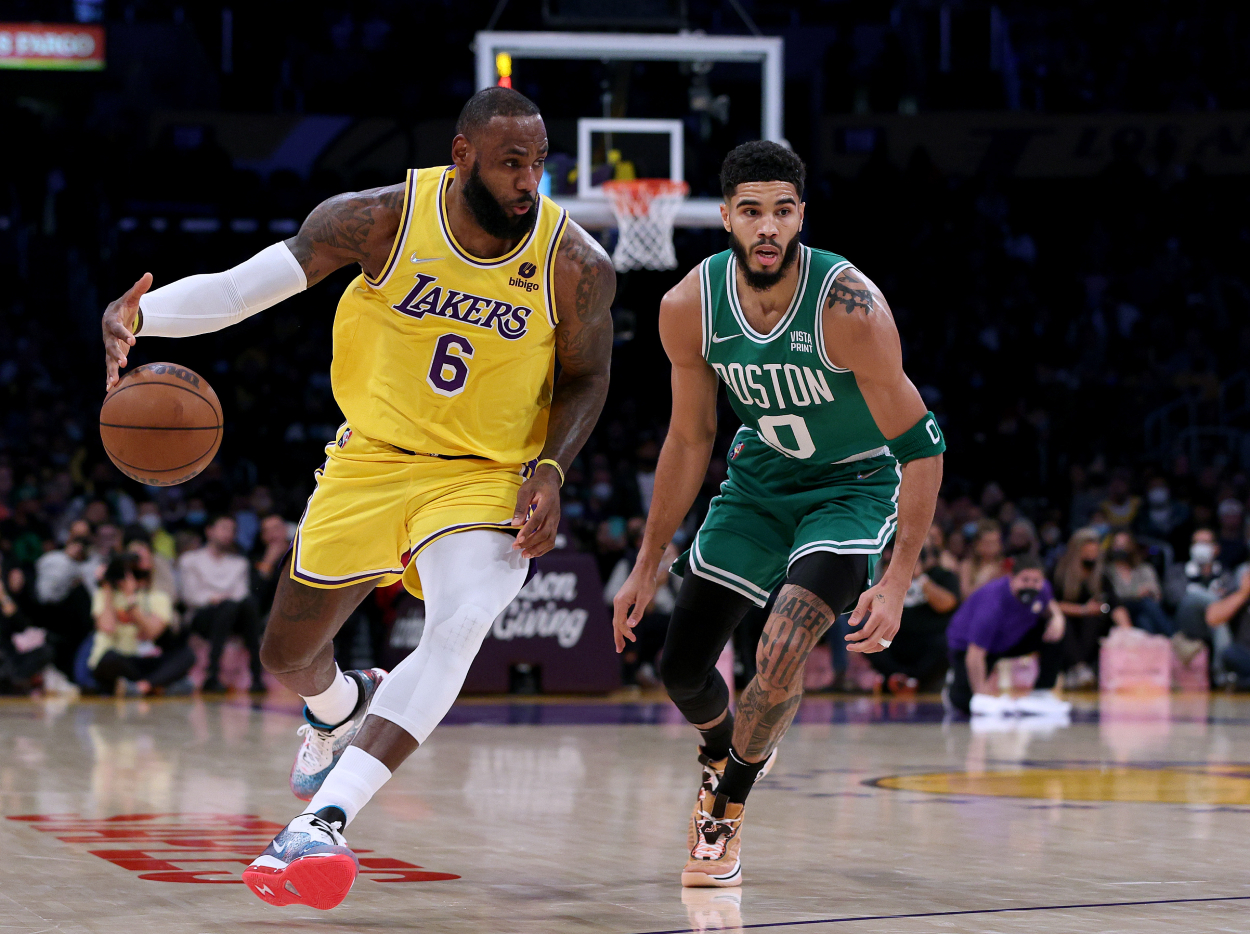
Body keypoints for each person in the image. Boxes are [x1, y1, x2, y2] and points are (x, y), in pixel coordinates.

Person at [100, 87, 613, 910]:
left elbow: (587, 375)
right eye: (511, 163)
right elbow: (242, 290)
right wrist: (141, 314)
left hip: (485, 475)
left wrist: (551, 466)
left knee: (459, 624)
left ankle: (324, 822)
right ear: (462, 155)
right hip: (369, 461)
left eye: (538, 164)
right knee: (284, 656)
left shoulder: (574, 262)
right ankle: (344, 704)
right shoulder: (379, 219)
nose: (528, 181)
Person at [611, 141, 945, 887]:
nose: (768, 227)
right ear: (726, 216)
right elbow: (691, 438)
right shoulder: (687, 307)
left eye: (783, 211)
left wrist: (895, 580)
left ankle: (726, 806)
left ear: (801, 217)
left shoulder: (850, 307)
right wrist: (646, 563)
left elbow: (923, 446)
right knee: (681, 668)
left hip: (850, 487)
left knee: (786, 637)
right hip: (759, 483)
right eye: (752, 211)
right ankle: (724, 748)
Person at [945, 555, 1069, 717]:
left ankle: (1042, 691)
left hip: (1010, 638)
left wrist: (1058, 618)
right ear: (1012, 578)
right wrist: (982, 696)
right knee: (966, 702)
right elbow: (975, 654)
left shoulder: (1043, 588)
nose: (1031, 585)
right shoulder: (992, 604)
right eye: (1025, 580)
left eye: (1036, 581)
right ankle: (953, 682)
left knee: (1055, 630)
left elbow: (1049, 602)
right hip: (970, 646)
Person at [177, 515, 265, 694]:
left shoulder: (239, 563)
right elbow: (190, 596)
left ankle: (256, 676)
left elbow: (242, 594)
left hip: (233, 613)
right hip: (202, 616)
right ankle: (213, 674)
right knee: (229, 607)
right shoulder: (190, 559)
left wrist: (222, 598)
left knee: (246, 605)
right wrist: (214, 598)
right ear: (209, 531)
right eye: (224, 528)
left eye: (232, 530)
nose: (229, 534)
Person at [868, 525, 961, 695]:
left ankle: (913, 681)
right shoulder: (890, 575)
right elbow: (877, 602)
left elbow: (947, 604)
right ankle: (895, 677)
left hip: (928, 640)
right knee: (864, 632)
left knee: (945, 644)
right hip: (895, 638)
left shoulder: (944, 576)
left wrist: (920, 577)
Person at [88, 553, 194, 696]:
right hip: (120, 660)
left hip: (144, 659)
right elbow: (107, 627)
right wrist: (106, 586)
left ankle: (142, 687)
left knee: (186, 655)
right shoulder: (103, 594)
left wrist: (131, 598)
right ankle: (159, 685)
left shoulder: (158, 597)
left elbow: (152, 632)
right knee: (108, 659)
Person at [1052, 528, 1115, 687]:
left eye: (1095, 552)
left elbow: (1113, 604)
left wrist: (1127, 630)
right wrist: (1082, 610)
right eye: (1087, 552)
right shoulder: (1059, 572)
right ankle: (1078, 667)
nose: (1091, 556)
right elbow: (1051, 603)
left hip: (1094, 625)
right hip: (1065, 623)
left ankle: (1081, 669)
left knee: (1094, 618)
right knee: (1062, 620)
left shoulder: (1101, 574)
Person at [1105, 530, 1172, 636]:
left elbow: (1157, 593)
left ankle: (1154, 649)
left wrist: (1149, 591)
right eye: (1117, 544)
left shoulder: (1144, 568)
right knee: (1145, 602)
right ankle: (1173, 637)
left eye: (1124, 544)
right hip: (1119, 609)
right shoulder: (1107, 572)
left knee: (1144, 620)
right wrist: (1137, 593)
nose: (1121, 548)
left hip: (1142, 610)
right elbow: (1114, 596)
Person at [958, 520, 1008, 598]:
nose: (992, 547)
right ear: (977, 544)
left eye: (995, 542)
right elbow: (965, 595)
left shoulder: (1004, 566)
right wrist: (990, 580)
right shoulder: (967, 565)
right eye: (988, 543)